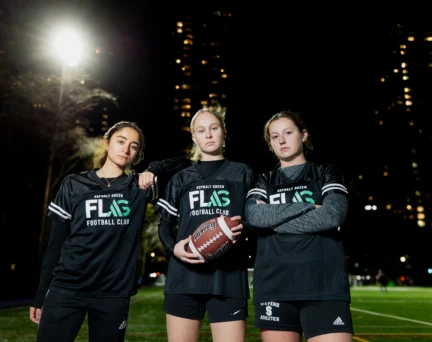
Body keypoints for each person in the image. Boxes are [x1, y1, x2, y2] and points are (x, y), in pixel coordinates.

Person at [29, 121, 185, 342]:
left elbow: (187, 163)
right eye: (120, 141)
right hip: (66, 290)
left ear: (137, 153)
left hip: (113, 293)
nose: (126, 149)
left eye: (133, 146)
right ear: (107, 143)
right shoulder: (74, 184)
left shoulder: (139, 187)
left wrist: (153, 169)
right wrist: (39, 295)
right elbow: (55, 245)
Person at [245, 110, 353, 342]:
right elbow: (254, 217)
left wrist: (275, 222)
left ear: (303, 135)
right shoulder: (263, 179)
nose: (281, 140)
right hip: (274, 285)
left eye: (288, 132)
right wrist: (308, 206)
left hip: (324, 285)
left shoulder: (325, 172)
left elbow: (332, 216)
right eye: (274, 136)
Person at [151, 108, 255, 342]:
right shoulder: (181, 178)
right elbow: (165, 224)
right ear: (194, 138)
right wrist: (173, 247)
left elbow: (256, 219)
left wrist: (244, 227)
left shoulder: (243, 173)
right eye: (201, 130)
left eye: (214, 128)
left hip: (229, 279)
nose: (208, 135)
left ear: (224, 132)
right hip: (184, 277)